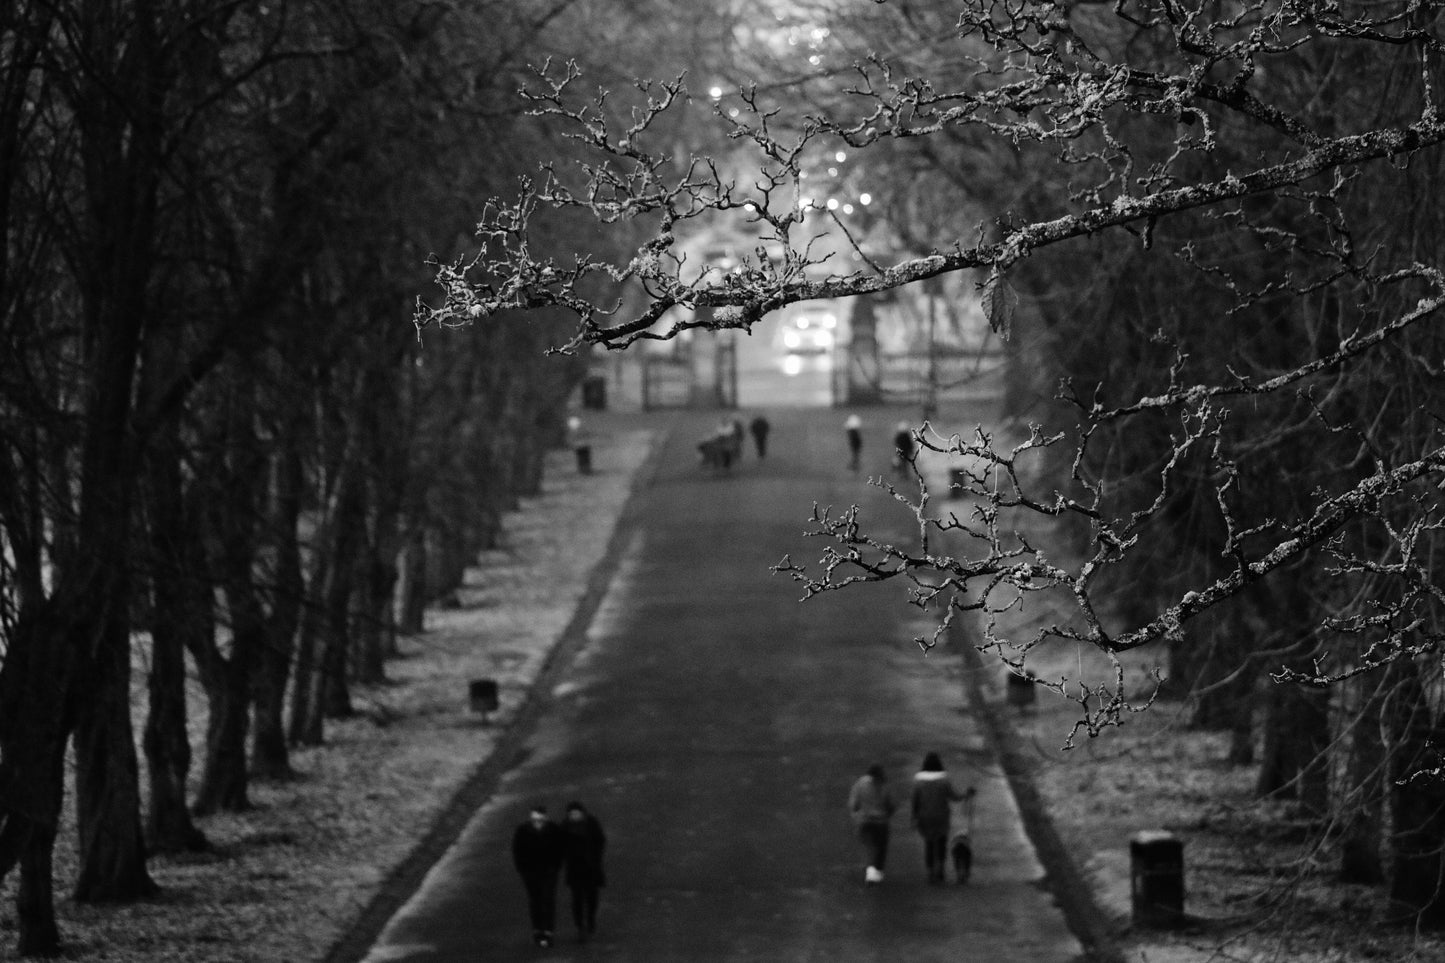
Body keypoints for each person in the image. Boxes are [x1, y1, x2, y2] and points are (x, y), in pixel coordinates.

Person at [910, 752, 973, 884]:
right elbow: (954, 796)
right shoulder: (944, 780)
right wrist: (966, 795)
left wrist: (914, 818)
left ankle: (930, 872)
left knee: (929, 844)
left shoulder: (918, 781)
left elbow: (915, 801)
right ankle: (940, 871)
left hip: (925, 817)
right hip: (941, 817)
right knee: (941, 844)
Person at [512, 804, 565, 947]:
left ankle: (548, 931)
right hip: (530, 872)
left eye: (540, 820)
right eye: (534, 820)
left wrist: (556, 866)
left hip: (549, 871)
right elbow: (517, 851)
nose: (537, 823)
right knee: (535, 901)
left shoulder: (553, 830)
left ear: (545, 818)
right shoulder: (522, 831)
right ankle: (538, 930)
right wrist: (522, 869)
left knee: (548, 900)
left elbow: (560, 849)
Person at [561, 801, 607, 941]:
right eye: (572, 813)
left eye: (576, 813)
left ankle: (590, 919)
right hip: (575, 869)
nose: (574, 815)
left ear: (581, 813)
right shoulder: (565, 826)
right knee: (577, 899)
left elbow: (600, 840)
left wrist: (595, 856)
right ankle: (580, 926)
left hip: (591, 868)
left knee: (592, 897)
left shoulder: (591, 823)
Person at [848, 763, 897, 884]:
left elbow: (853, 803)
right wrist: (887, 814)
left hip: (864, 822)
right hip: (881, 822)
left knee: (869, 847)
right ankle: (877, 871)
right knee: (881, 847)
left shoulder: (860, 784)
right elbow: (891, 804)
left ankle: (870, 870)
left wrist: (855, 815)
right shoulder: (885, 785)